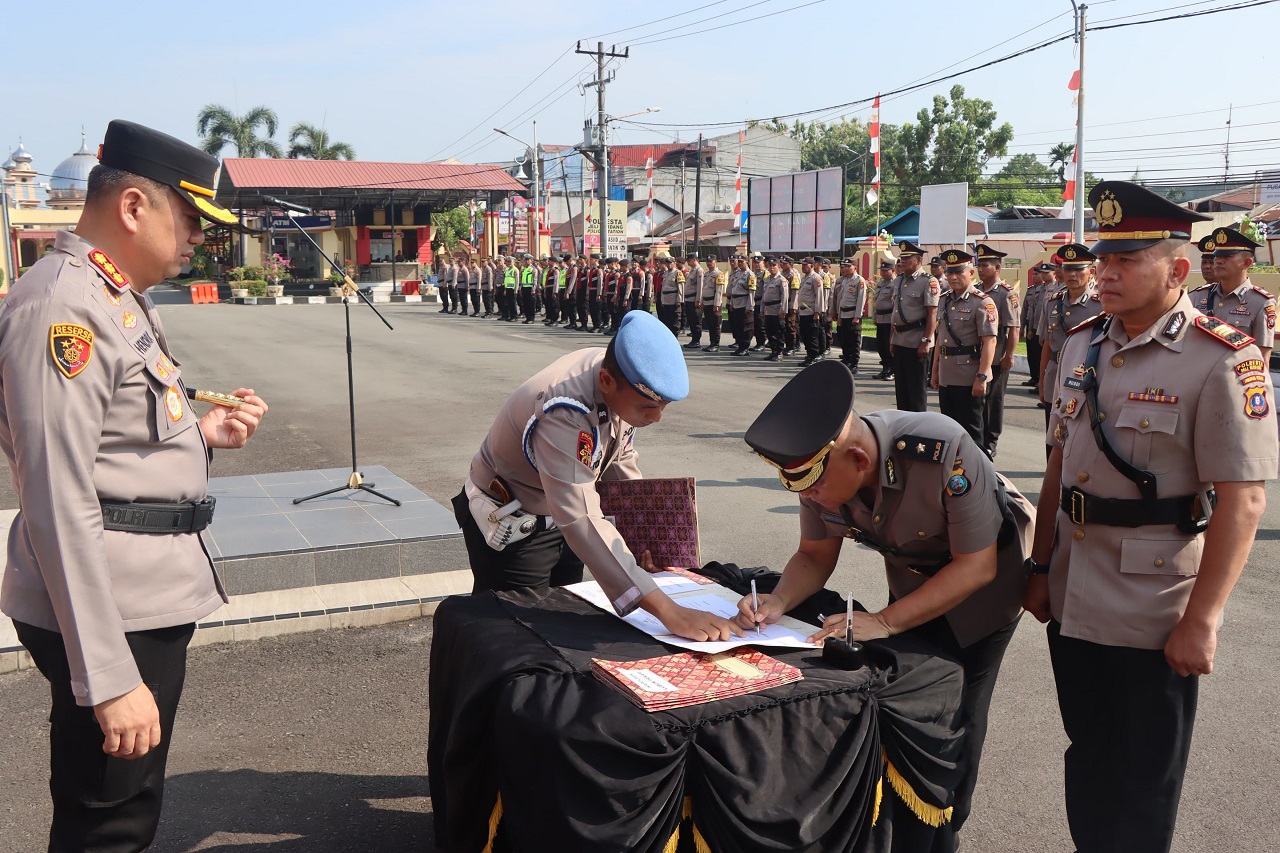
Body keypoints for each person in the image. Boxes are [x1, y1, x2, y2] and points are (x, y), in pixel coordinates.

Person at [0, 119, 269, 853]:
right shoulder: (64, 308)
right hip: (109, 608)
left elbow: (118, 441)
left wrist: (202, 437)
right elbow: (57, 499)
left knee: (127, 805)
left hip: (136, 593)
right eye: (190, 220)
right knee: (108, 823)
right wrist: (109, 676)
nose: (198, 240)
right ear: (132, 207)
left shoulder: (112, 293)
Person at [1023, 181, 1277, 853]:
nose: (1106, 273)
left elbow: (1245, 500)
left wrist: (1203, 620)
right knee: (1088, 756)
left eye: (1126, 260)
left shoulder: (1223, 358)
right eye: (1104, 259)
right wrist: (1040, 567)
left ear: (1177, 270)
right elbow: (1058, 466)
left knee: (1143, 777)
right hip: (1073, 590)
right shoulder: (1081, 343)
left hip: (1154, 603)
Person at [739, 360, 1032, 843]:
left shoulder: (942, 450)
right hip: (912, 586)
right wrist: (778, 600)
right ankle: (905, 821)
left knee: (959, 710)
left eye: (816, 486)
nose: (811, 496)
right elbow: (814, 554)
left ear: (858, 459)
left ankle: (946, 827)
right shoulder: (820, 472)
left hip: (986, 591)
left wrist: (887, 621)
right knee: (909, 702)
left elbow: (976, 567)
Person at [453, 310, 743, 641]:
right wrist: (668, 610)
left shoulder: (619, 370)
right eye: (648, 407)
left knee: (560, 627)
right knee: (512, 638)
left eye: (663, 406)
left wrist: (642, 536)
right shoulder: (564, 411)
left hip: (563, 522)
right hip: (516, 529)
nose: (657, 418)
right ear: (606, 381)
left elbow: (617, 456)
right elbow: (580, 516)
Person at [930, 249, 997, 446]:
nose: (953, 277)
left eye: (959, 272)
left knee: (971, 432)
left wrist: (982, 377)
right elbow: (941, 339)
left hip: (969, 376)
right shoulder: (944, 299)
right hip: (947, 375)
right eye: (950, 272)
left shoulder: (983, 302)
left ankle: (978, 465)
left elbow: (990, 341)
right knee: (949, 430)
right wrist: (935, 371)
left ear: (971, 273)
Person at [1037, 243, 1103, 442]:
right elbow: (1047, 345)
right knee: (1054, 436)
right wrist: (1042, 381)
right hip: (1055, 374)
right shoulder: (1052, 302)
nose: (1072, 274)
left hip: (1086, 377)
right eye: (1068, 269)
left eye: (1078, 269)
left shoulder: (1101, 305)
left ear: (1091, 272)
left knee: (1082, 437)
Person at [1189, 226, 1275, 363]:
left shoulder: (1260, 303)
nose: (1218, 261)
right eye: (1217, 255)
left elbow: (1262, 359)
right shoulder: (1197, 297)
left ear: (1246, 263)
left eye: (1227, 256)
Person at [973, 244, 1020, 459]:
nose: (981, 269)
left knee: (993, 401)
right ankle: (976, 439)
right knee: (977, 401)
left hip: (997, 354)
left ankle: (990, 441)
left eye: (985, 265)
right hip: (976, 353)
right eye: (979, 265)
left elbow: (1014, 328)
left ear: (997, 267)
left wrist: (1009, 355)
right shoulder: (975, 290)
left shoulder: (1006, 293)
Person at [889, 241, 939, 411]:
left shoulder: (928, 282)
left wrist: (926, 341)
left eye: (907, 258)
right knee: (901, 390)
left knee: (916, 391)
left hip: (917, 341)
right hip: (900, 340)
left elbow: (932, 314)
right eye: (901, 258)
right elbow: (896, 311)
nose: (902, 261)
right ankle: (903, 422)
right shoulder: (898, 280)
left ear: (918, 260)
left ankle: (918, 425)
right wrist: (892, 339)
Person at [832, 258, 867, 372]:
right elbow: (840, 299)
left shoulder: (859, 280)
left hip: (853, 315)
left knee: (854, 340)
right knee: (844, 340)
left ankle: (854, 363)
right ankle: (846, 360)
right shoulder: (843, 280)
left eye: (849, 266)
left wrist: (857, 316)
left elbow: (861, 300)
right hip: (843, 314)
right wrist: (838, 315)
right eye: (845, 266)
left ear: (855, 268)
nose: (846, 269)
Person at [1021, 262, 1052, 391]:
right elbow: (1028, 310)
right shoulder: (1032, 290)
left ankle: (1041, 381)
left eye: (1037, 274)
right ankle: (1035, 377)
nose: (1035, 276)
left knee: (1041, 356)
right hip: (1033, 326)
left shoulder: (1052, 289)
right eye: (1034, 274)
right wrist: (1026, 327)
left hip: (1044, 328)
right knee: (1032, 354)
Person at [796, 257, 826, 367]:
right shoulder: (804, 278)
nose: (803, 267)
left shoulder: (816, 278)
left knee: (812, 336)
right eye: (802, 265)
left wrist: (817, 312)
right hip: (803, 312)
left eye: (805, 265)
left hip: (811, 312)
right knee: (805, 336)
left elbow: (819, 296)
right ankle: (809, 356)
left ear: (812, 266)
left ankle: (813, 357)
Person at [759, 257, 790, 361]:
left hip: (777, 309)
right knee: (769, 331)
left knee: (779, 332)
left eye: (774, 265)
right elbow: (764, 295)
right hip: (768, 309)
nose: (771, 268)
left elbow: (784, 297)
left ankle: (779, 352)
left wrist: (783, 310)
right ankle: (773, 351)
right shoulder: (767, 279)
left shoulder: (782, 280)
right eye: (770, 265)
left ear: (779, 267)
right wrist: (762, 309)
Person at [727, 254, 757, 356]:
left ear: (747, 262)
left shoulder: (750, 275)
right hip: (736, 303)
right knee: (738, 326)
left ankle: (745, 347)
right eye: (738, 261)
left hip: (744, 303)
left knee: (746, 327)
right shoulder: (737, 274)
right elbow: (733, 290)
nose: (739, 263)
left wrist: (750, 306)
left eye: (741, 262)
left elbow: (751, 292)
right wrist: (731, 303)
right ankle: (740, 346)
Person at [872, 255, 897, 380]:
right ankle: (885, 368)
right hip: (880, 317)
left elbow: (896, 304)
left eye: (885, 270)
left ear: (893, 270)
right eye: (881, 270)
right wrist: (874, 316)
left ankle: (892, 370)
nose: (882, 272)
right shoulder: (881, 283)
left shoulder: (896, 283)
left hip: (889, 318)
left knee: (889, 345)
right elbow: (876, 301)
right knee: (881, 345)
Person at [699, 255, 727, 352]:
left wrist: (717, 304)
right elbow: (703, 289)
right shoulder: (706, 274)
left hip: (713, 303)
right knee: (710, 325)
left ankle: (716, 344)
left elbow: (719, 291)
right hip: (706, 302)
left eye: (711, 261)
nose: (709, 263)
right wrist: (702, 302)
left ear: (715, 262)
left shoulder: (719, 274)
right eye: (707, 261)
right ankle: (712, 343)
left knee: (715, 325)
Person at [682, 254, 704, 348]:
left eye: (689, 260)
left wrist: (698, 300)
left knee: (696, 321)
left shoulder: (699, 270)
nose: (687, 262)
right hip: (689, 299)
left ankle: (696, 340)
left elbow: (700, 287)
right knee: (691, 320)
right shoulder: (692, 270)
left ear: (694, 260)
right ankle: (693, 340)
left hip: (694, 299)